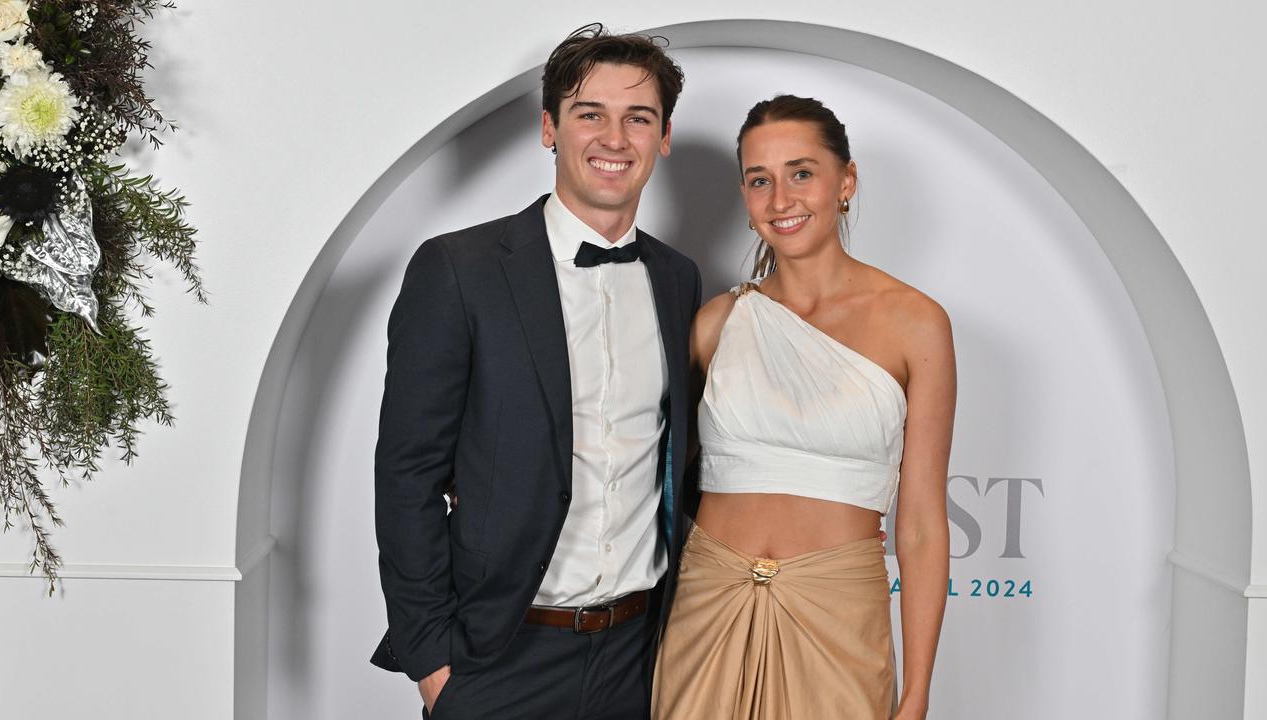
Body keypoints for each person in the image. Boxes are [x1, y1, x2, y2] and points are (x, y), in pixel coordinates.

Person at [370, 23, 702, 720]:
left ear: (663, 137)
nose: (615, 139)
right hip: (499, 659)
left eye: (638, 118)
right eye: (590, 115)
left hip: (640, 659)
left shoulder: (678, 280)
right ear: (549, 129)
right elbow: (408, 476)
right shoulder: (459, 270)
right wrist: (433, 663)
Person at [652, 95, 955, 720]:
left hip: (839, 618)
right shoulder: (715, 323)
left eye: (802, 173)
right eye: (760, 180)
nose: (780, 199)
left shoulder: (915, 324)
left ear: (845, 181)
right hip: (707, 608)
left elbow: (922, 523)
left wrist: (918, 689)